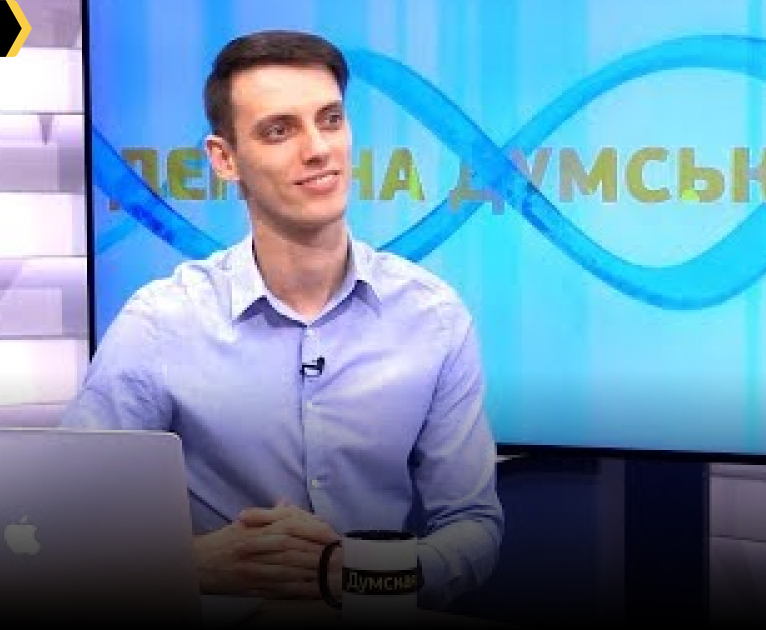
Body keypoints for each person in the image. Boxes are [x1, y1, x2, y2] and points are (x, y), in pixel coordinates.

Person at [61, 29, 503, 608]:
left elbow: (473, 527)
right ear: (224, 159)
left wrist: (362, 574)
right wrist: (193, 564)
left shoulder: (433, 317)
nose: (318, 149)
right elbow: (66, 519)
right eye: (279, 130)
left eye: (330, 120)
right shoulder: (161, 324)